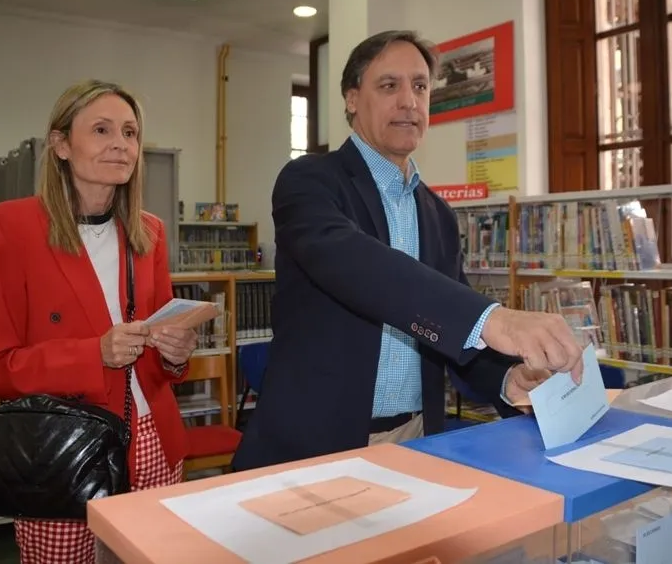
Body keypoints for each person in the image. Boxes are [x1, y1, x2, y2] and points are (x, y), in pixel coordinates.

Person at [232, 31, 583, 472]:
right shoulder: (309, 181)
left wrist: (507, 379)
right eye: (389, 85)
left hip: (416, 438)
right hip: (317, 444)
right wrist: (496, 319)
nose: (409, 101)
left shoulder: (438, 214)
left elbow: (453, 336)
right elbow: (357, 266)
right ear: (352, 99)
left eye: (420, 86)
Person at [0, 80, 198, 564]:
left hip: (152, 441)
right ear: (61, 144)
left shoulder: (149, 232)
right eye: (101, 130)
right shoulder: (14, 226)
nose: (121, 144)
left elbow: (160, 351)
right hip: (63, 448)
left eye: (130, 132)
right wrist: (94, 354)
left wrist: (176, 354)